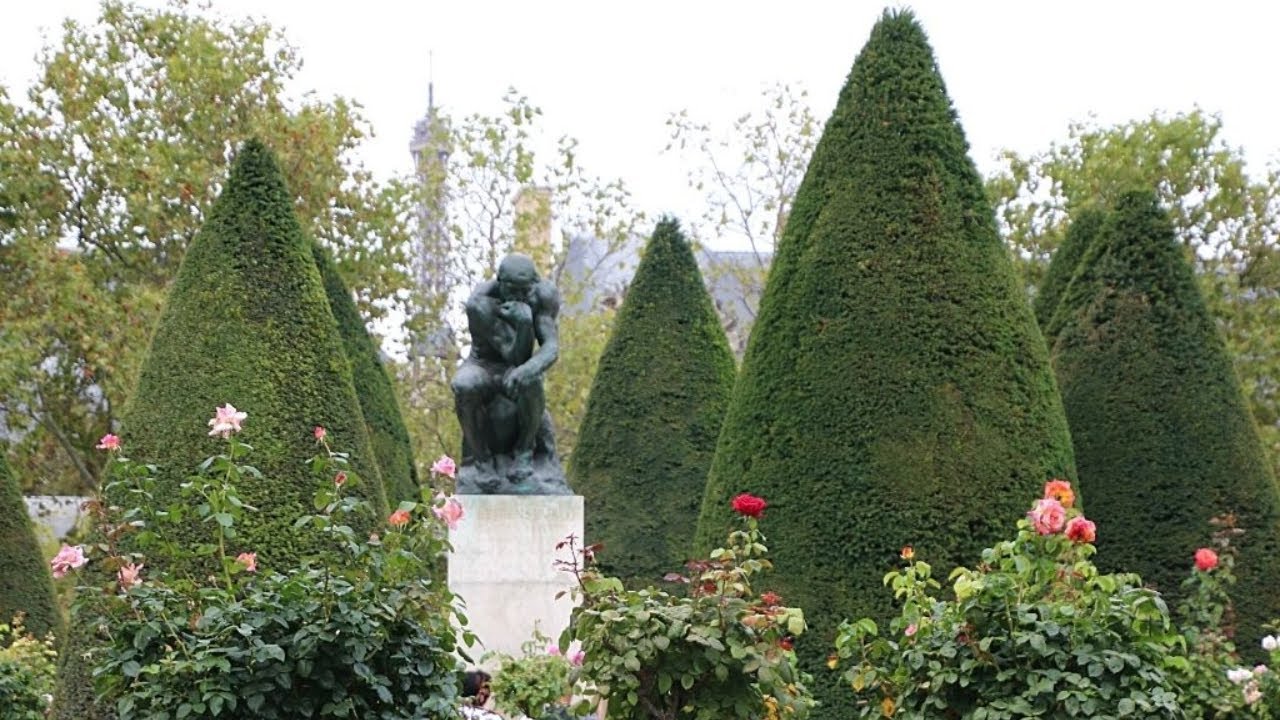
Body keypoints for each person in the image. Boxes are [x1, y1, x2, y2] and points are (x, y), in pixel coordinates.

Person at [452, 253, 561, 486]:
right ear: (500, 282)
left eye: (525, 290)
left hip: (517, 366)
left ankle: (524, 453)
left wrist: (529, 368)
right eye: (512, 290)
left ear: (535, 282)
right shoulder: (480, 303)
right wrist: (523, 324)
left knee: (531, 379)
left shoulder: (544, 295)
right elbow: (512, 354)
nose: (519, 296)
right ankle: (481, 460)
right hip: (484, 365)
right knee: (463, 385)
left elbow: (551, 346)